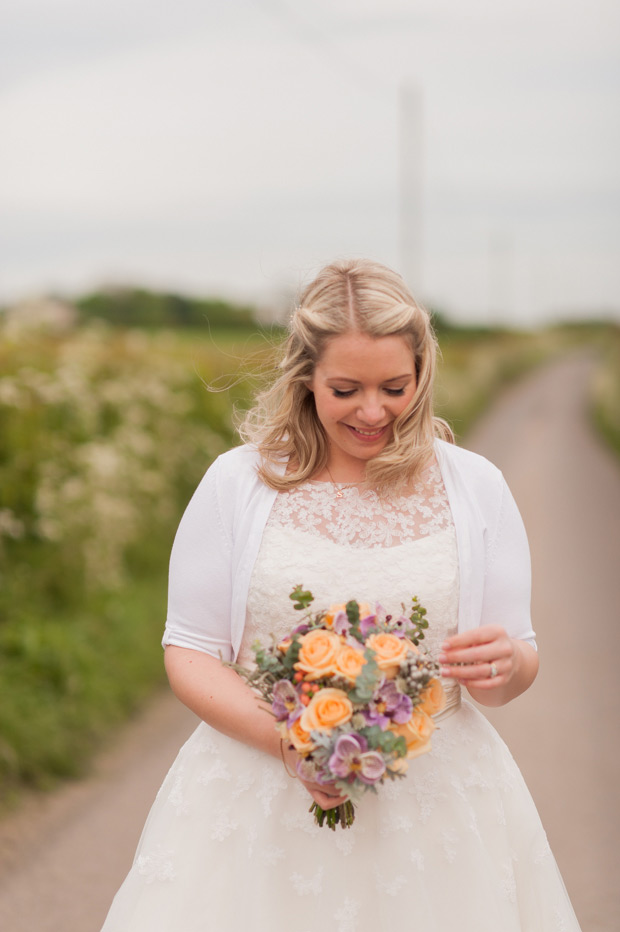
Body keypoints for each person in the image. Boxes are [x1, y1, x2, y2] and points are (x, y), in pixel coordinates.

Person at [101, 259, 581, 931]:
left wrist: (509, 665)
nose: (373, 410)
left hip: (437, 806)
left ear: (422, 374)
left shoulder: (476, 486)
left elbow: (513, 664)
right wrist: (288, 744)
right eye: (346, 388)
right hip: (257, 802)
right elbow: (189, 650)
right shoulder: (238, 485)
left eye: (395, 386)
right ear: (306, 379)